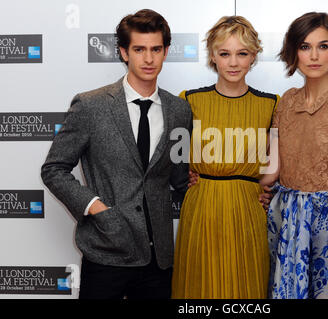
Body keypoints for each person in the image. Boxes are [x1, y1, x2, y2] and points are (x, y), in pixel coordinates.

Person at [41, 9, 192, 299]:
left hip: (158, 260)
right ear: (124, 52)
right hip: (106, 252)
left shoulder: (179, 110)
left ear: (166, 51)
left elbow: (179, 175)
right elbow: (54, 169)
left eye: (155, 49)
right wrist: (96, 207)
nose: (148, 59)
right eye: (139, 49)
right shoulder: (90, 106)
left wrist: (239, 190)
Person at [260, 12, 328, 299]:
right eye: (305, 46)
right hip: (285, 220)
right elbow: (272, 172)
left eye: (323, 46)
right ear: (293, 52)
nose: (314, 56)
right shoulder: (286, 102)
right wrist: (217, 176)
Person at [171, 16, 280, 299]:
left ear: (254, 56)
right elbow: (175, 160)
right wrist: (187, 177)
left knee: (246, 287)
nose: (233, 62)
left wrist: (261, 187)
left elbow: (274, 164)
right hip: (201, 204)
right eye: (225, 53)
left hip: (247, 208)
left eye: (242, 53)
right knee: (199, 288)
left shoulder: (271, 104)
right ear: (212, 56)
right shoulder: (189, 99)